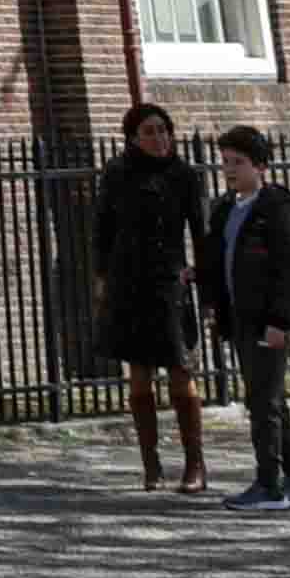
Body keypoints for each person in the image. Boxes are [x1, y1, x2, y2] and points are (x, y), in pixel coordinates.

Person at [86, 101, 209, 494]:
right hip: (128, 283)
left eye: (163, 130)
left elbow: (201, 231)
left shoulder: (183, 175)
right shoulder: (117, 173)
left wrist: (204, 280)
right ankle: (151, 463)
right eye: (150, 132)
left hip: (169, 283)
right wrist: (101, 278)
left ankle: (194, 463)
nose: (159, 138)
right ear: (133, 138)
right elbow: (102, 229)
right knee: (139, 379)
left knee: (181, 374)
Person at [203, 123, 290, 507]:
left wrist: (282, 321)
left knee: (262, 402)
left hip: (268, 319)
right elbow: (219, 260)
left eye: (238, 162)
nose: (230, 170)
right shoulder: (224, 209)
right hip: (240, 318)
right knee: (271, 398)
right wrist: (206, 290)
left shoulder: (276, 207)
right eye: (225, 162)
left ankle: (269, 484)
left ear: (260, 166)